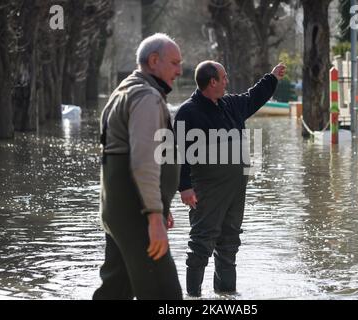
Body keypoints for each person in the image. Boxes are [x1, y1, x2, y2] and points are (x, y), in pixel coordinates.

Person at [174, 61, 286, 297]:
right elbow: (178, 153)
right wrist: (184, 187)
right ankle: (192, 296)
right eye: (224, 77)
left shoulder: (230, 104)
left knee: (229, 243)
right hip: (207, 190)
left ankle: (226, 295)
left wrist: (272, 78)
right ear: (212, 81)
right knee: (201, 243)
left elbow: (253, 97)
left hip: (235, 189)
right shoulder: (188, 111)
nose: (227, 81)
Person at [93, 33, 183, 300]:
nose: (179, 70)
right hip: (137, 214)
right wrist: (154, 214)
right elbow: (144, 160)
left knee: (115, 290)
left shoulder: (122, 91)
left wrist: (160, 204)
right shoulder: (147, 97)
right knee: (164, 294)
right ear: (154, 61)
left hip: (118, 212)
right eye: (175, 63)